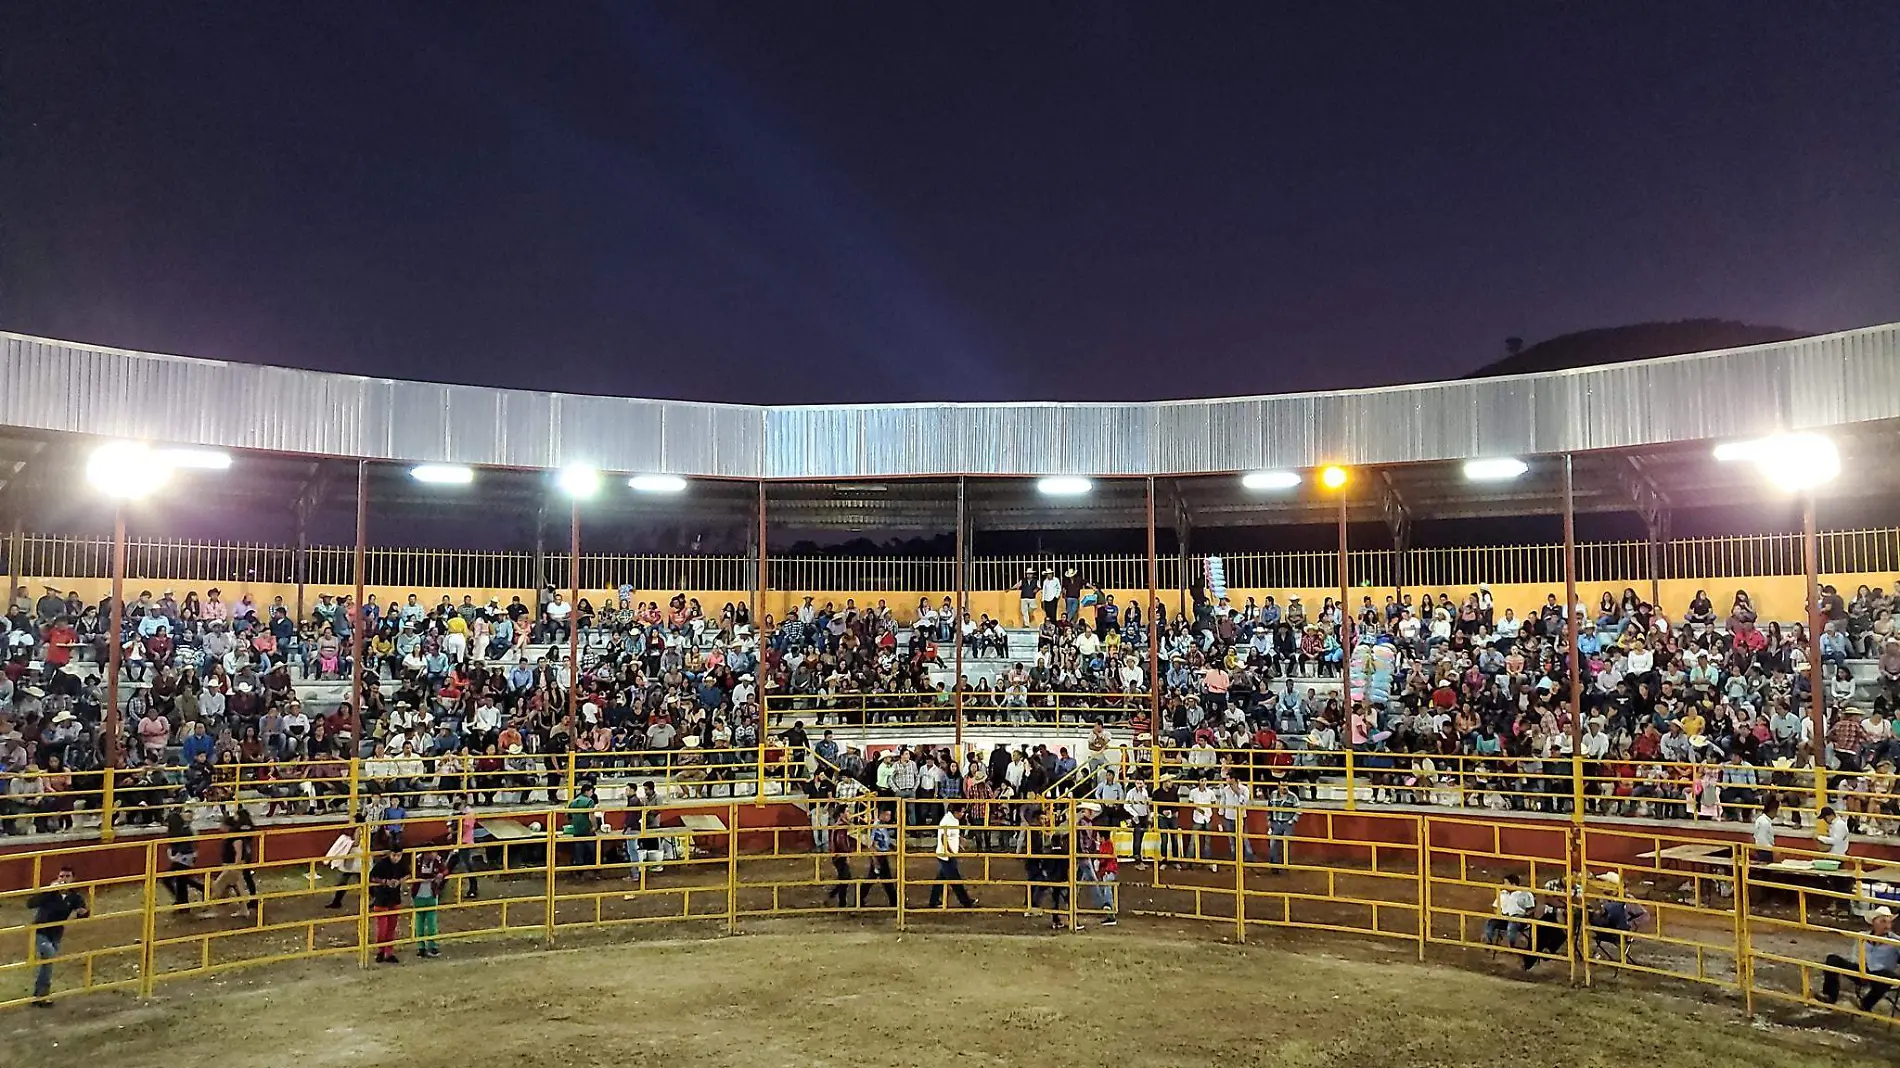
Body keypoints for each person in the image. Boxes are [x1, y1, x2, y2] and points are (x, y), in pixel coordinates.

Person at [27, 865, 88, 1006]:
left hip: (56, 933)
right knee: (48, 955)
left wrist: (83, 912)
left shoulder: (75, 896)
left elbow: (83, 913)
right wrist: (48, 891)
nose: (64, 880)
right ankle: (42, 995)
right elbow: (30, 904)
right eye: (61, 876)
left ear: (73, 879)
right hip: (40, 930)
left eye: (67, 876)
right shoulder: (50, 893)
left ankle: (38, 995)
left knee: (47, 962)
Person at [1818, 906, 1900, 1012]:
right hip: (1861, 968)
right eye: (1883, 921)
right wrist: (1861, 970)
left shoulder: (1896, 941)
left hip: (1880, 975)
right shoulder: (1862, 936)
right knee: (1832, 959)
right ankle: (1830, 996)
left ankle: (1865, 1004)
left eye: (1889, 922)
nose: (1887, 925)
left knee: (1890, 976)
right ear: (1874, 922)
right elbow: (1855, 955)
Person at [927, 804, 976, 909]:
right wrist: (949, 852)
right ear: (956, 812)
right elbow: (943, 837)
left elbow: (951, 836)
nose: (962, 814)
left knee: (940, 880)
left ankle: (933, 901)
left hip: (947, 855)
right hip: (947, 856)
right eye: (961, 812)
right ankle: (966, 902)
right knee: (955, 880)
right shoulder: (947, 821)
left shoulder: (953, 820)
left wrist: (959, 842)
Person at [369, 841, 407, 963]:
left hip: (394, 899)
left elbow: (408, 874)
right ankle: (381, 950)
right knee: (382, 928)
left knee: (391, 927)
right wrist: (385, 882)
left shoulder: (402, 864)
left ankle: (388, 952)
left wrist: (400, 881)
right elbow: (372, 877)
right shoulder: (381, 864)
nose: (396, 858)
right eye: (394, 855)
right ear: (390, 854)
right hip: (381, 899)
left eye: (398, 856)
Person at [1484, 874, 1536, 950]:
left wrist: (1524, 917)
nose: (1503, 885)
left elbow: (1531, 909)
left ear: (1513, 884)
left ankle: (1511, 945)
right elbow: (1495, 907)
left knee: (1512, 924)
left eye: (1506, 883)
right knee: (1491, 922)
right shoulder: (1502, 893)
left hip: (1519, 920)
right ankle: (1488, 942)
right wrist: (1499, 914)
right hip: (1504, 918)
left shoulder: (1525, 894)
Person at [411, 848, 447, 958]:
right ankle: (420, 947)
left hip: (431, 894)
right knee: (419, 922)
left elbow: (445, 870)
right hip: (419, 895)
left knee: (431, 922)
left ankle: (432, 945)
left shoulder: (438, 860)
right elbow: (413, 872)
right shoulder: (417, 860)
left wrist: (441, 875)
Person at [860, 806, 898, 908]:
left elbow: (883, 840)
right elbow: (870, 844)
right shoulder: (876, 826)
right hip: (878, 856)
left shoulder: (882, 826)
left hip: (881, 855)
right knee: (886, 880)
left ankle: (859, 898)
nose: (889, 817)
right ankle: (895, 902)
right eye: (887, 815)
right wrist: (875, 859)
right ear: (882, 814)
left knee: (873, 879)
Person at [825, 808, 857, 908]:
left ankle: (834, 896)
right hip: (840, 855)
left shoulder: (839, 825)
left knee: (845, 878)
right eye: (846, 811)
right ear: (841, 814)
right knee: (845, 878)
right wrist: (846, 853)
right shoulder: (841, 826)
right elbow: (841, 841)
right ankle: (840, 902)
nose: (848, 813)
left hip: (837, 855)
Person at [566, 780, 601, 877]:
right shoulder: (589, 801)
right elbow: (591, 815)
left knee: (578, 852)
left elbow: (568, 816)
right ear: (587, 791)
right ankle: (595, 871)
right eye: (591, 791)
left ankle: (578, 872)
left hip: (577, 831)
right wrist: (595, 826)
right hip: (587, 830)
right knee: (593, 850)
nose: (592, 793)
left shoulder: (573, 802)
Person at [1265, 780, 1301, 869]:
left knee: (1286, 844)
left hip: (1287, 823)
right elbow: (1269, 808)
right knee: (1273, 844)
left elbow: (1298, 810)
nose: (1284, 787)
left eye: (1286, 785)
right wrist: (1269, 820)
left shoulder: (1293, 797)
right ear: (1278, 786)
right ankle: (1274, 865)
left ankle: (1285, 864)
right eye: (1282, 785)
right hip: (1276, 822)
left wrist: (1292, 821)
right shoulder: (1273, 794)